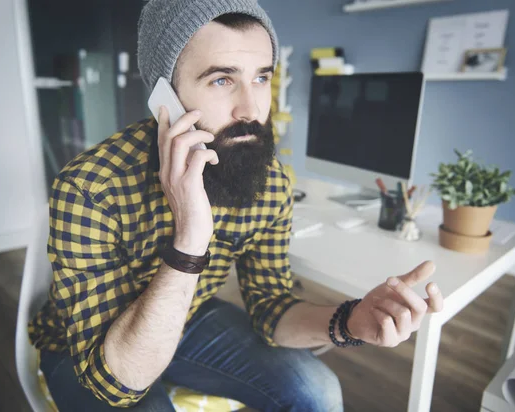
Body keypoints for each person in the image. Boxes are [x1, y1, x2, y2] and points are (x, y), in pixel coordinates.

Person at [28, 1, 444, 411]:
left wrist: (351, 322)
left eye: (261, 77)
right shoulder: (90, 187)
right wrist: (190, 238)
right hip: (89, 347)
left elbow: (271, 306)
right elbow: (119, 383)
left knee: (318, 389)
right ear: (164, 98)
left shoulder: (268, 181)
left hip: (189, 318)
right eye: (221, 80)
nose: (252, 109)